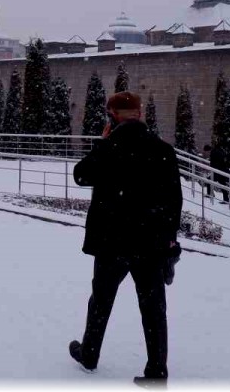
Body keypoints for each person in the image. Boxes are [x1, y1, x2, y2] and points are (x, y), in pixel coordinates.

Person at [68, 91, 183, 387]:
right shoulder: (163, 150)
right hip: (151, 243)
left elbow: (80, 175)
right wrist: (169, 239)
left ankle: (90, 355)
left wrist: (103, 144)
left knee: (101, 301)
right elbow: (174, 201)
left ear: (112, 116)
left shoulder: (110, 148)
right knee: (154, 308)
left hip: (112, 242)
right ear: (140, 114)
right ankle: (157, 370)